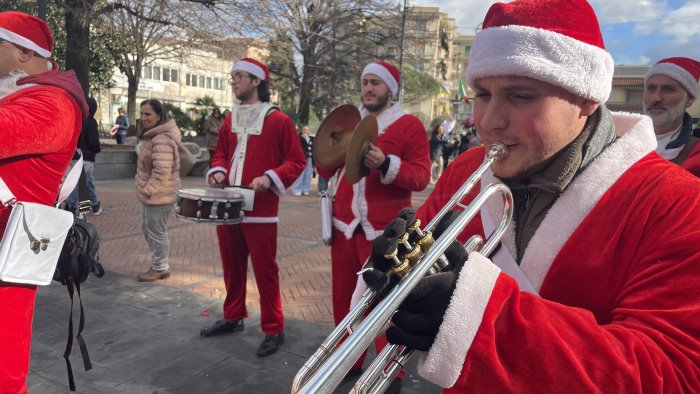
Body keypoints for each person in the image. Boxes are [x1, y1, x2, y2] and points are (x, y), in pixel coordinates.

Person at [356, 0, 700, 391]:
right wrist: (402, 276)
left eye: (520, 96)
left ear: (587, 98)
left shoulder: (682, 203)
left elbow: (673, 374)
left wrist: (480, 316)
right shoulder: (464, 169)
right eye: (482, 94)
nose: (487, 122)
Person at [316, 61, 430, 385]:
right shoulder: (350, 122)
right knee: (343, 302)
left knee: (384, 308)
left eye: (375, 83)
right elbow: (327, 168)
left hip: (383, 233)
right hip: (344, 227)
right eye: (364, 81)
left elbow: (421, 176)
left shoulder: (408, 126)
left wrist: (386, 164)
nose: (368, 88)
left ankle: (387, 373)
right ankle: (346, 363)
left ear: (390, 90)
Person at [0, 11, 88, 392]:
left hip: (8, 252)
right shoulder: (20, 94)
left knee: (4, 363)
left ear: (23, 52)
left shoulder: (52, 101)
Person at [201, 58, 305, 357]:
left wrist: (270, 177)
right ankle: (233, 316)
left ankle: (274, 328)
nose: (233, 81)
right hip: (229, 206)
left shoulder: (279, 120)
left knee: (265, 270)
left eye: (239, 76)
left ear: (257, 81)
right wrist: (217, 170)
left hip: (261, 210)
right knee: (232, 267)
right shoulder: (230, 119)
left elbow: (296, 161)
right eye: (232, 77)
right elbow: (220, 153)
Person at [134, 99, 180, 282]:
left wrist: (148, 190)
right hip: (155, 195)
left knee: (156, 231)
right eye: (142, 113)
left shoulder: (160, 139)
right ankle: (158, 264)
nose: (144, 118)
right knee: (149, 229)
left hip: (159, 196)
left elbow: (162, 172)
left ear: (159, 116)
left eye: (148, 114)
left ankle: (160, 267)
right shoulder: (153, 136)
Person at [644, 57, 700, 176]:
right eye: (651, 89)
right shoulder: (617, 140)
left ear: (689, 99)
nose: (656, 98)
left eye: (668, 90)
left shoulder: (696, 152)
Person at [66, 96, 102, 215]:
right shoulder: (91, 122)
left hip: (75, 155)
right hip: (86, 157)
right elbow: (93, 142)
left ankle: (94, 205)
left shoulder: (76, 119)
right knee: (83, 183)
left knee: (83, 182)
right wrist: (97, 148)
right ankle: (71, 206)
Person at [291, 124, 314, 195]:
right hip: (301, 158)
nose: (305, 131)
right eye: (304, 129)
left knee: (308, 174)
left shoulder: (312, 138)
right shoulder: (299, 138)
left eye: (307, 130)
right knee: (300, 174)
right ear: (302, 130)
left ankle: (305, 189)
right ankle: (297, 189)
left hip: (310, 158)